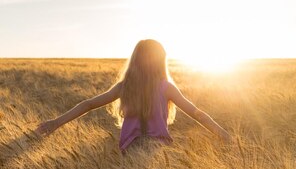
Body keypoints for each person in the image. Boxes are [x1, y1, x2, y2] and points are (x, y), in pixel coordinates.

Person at [35, 39, 230, 149]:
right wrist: (223, 134)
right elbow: (196, 113)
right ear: (161, 61)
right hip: (158, 149)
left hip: (131, 149)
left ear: (135, 60)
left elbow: (87, 104)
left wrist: (55, 123)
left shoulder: (124, 87)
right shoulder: (166, 87)